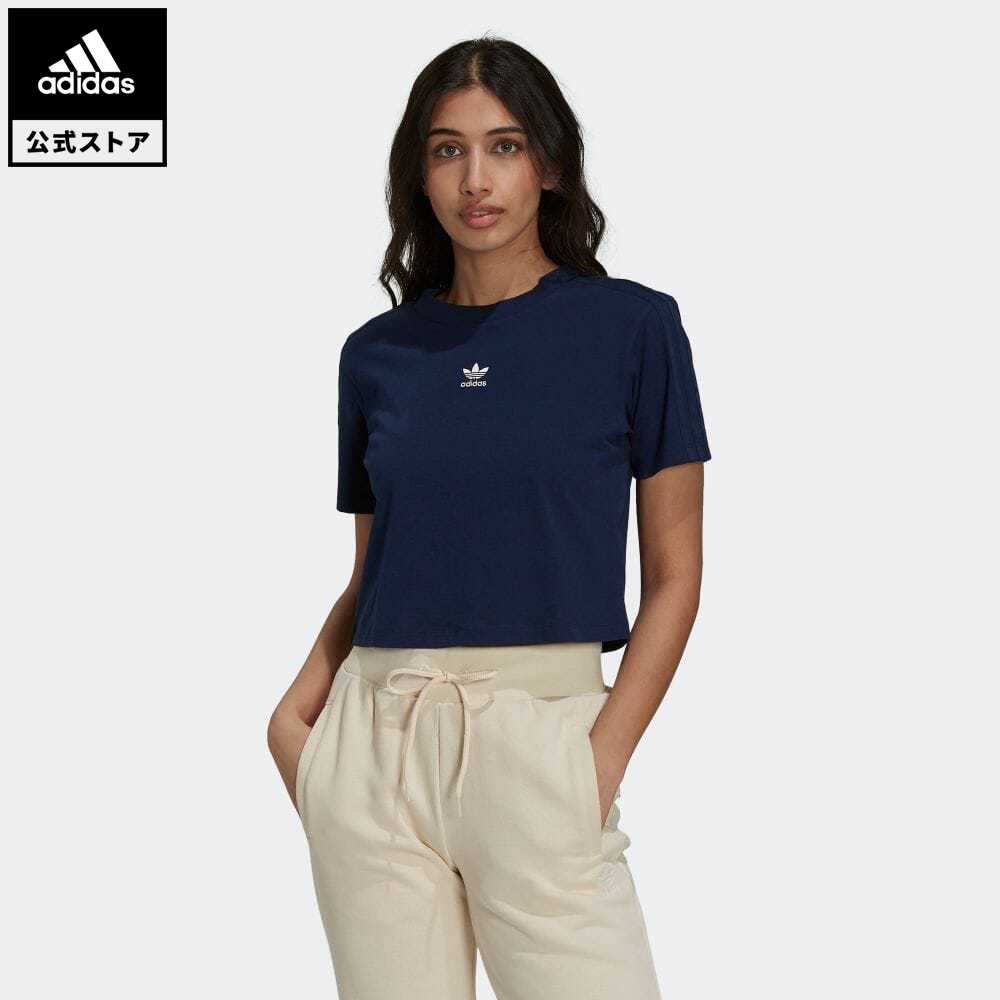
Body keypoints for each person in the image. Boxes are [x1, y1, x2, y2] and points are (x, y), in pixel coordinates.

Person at [267, 33, 711, 1000]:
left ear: (548, 164)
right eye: (448, 150)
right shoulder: (377, 354)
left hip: (542, 745)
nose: (476, 179)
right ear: (418, 175)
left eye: (505, 146)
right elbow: (375, 569)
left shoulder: (633, 328)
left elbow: (676, 576)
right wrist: (295, 722)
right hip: (374, 744)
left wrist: (598, 762)